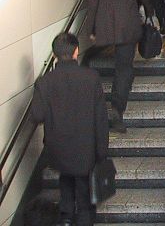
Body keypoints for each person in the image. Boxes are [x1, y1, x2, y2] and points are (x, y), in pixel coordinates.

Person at [30, 33, 108, 226]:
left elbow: (37, 115)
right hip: (85, 148)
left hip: (58, 148)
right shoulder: (91, 77)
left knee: (66, 179)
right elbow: (100, 118)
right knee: (84, 197)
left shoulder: (44, 81)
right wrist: (102, 152)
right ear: (76, 51)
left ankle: (65, 217)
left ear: (55, 55)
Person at [85, 0, 153, 132]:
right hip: (127, 23)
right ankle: (117, 110)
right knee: (124, 67)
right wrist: (150, 11)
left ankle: (95, 110)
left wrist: (90, 28)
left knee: (102, 64)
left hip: (105, 24)